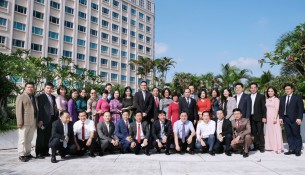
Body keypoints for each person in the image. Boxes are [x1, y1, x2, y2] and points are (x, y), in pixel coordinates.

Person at [279, 83, 304, 156]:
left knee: (296, 134)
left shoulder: (297, 97)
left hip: (295, 119)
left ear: (292, 89)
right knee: (289, 134)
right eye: (286, 89)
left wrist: (299, 118)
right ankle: (291, 149)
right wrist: (281, 117)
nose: (287, 90)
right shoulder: (282, 98)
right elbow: (281, 109)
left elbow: (300, 109)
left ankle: (298, 150)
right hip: (286, 119)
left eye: (288, 89)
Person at [16, 82, 38, 162]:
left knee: (29, 139)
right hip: (24, 122)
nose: (30, 88)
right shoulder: (21, 97)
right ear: (25, 88)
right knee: (22, 139)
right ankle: (21, 154)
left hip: (33, 121)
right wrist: (19, 122)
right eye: (28, 87)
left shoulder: (34, 97)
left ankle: (27, 153)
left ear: (34, 88)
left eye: (32, 87)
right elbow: (18, 111)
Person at [36, 82, 57, 158]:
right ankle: (39, 153)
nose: (49, 89)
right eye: (47, 88)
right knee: (41, 137)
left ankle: (45, 152)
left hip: (51, 119)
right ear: (44, 88)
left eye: (51, 88)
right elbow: (40, 109)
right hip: (43, 120)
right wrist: (40, 120)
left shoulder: (53, 97)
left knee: (48, 136)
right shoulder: (41, 97)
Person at [265, 87, 284, 154]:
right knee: (270, 133)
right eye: (269, 91)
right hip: (268, 118)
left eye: (271, 91)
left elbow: (277, 109)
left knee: (276, 132)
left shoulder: (276, 99)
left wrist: (275, 118)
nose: (270, 92)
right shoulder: (267, 99)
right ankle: (271, 147)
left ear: (274, 92)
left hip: (274, 118)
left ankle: (278, 148)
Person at [248, 82, 267, 152]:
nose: (253, 89)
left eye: (254, 88)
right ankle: (256, 145)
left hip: (259, 117)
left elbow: (264, 108)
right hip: (251, 117)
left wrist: (264, 117)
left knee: (260, 132)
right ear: (250, 89)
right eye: (251, 88)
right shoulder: (248, 96)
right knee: (254, 133)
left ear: (257, 88)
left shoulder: (261, 96)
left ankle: (262, 147)